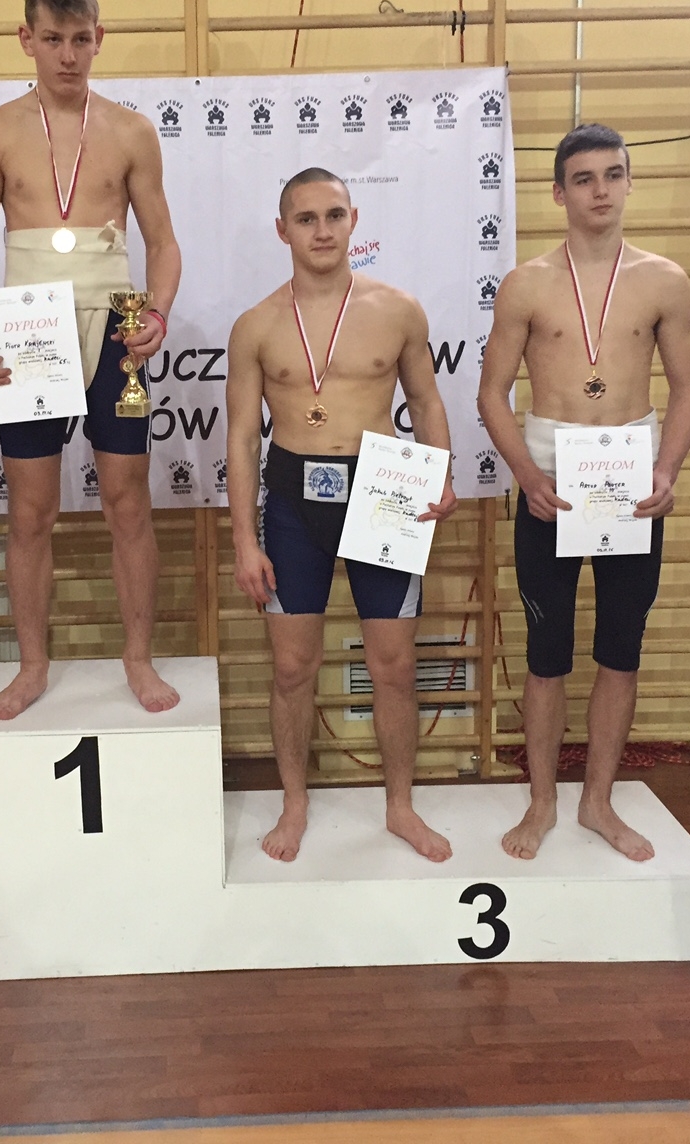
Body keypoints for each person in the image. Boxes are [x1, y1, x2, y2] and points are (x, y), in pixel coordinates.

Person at [0, 0, 182, 721]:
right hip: (28, 326)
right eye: (53, 39)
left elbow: (163, 243)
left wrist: (157, 313)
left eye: (80, 39)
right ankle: (32, 665)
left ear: (99, 37)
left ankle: (137, 657)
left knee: (127, 501)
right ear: (27, 39)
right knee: (30, 510)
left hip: (116, 323)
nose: (68, 55)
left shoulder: (131, 132)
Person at [476, 123, 690, 862]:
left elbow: (689, 389)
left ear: (630, 182)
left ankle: (597, 801)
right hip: (551, 482)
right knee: (547, 653)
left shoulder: (664, 280)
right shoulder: (527, 284)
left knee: (620, 649)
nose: (600, 190)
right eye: (584, 178)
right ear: (559, 192)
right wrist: (526, 475)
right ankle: (542, 800)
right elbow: (491, 393)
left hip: (631, 484)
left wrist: (666, 472)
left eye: (612, 175)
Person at [226, 168, 458, 863]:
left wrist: (441, 472)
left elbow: (427, 401)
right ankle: (294, 803)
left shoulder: (398, 311)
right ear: (283, 230)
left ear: (354, 220)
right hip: (292, 503)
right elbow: (241, 436)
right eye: (306, 219)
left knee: (393, 665)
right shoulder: (257, 325)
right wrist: (243, 539)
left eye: (334, 215)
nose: (322, 230)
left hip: (383, 490)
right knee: (292, 667)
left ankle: (400, 806)